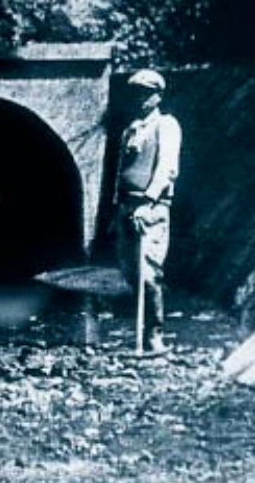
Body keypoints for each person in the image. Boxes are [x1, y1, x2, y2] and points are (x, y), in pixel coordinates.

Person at [114, 69, 182, 353]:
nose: (140, 98)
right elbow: (120, 170)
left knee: (148, 273)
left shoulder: (166, 125)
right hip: (127, 206)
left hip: (151, 207)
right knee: (130, 272)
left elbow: (166, 168)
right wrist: (116, 208)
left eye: (146, 93)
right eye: (136, 93)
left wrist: (148, 202)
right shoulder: (130, 129)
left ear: (158, 96)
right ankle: (140, 332)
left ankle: (154, 335)